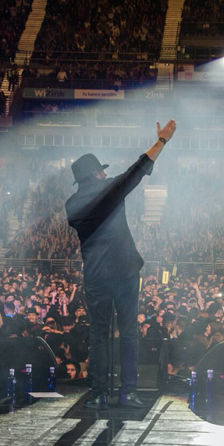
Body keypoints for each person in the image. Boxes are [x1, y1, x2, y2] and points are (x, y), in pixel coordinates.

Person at [66, 119, 177, 409]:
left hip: (96, 276)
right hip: (125, 273)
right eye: (102, 170)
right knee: (128, 332)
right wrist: (162, 141)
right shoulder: (110, 189)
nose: (105, 173)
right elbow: (138, 169)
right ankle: (128, 392)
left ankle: (100, 393)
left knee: (99, 335)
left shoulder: (72, 205)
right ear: (97, 174)